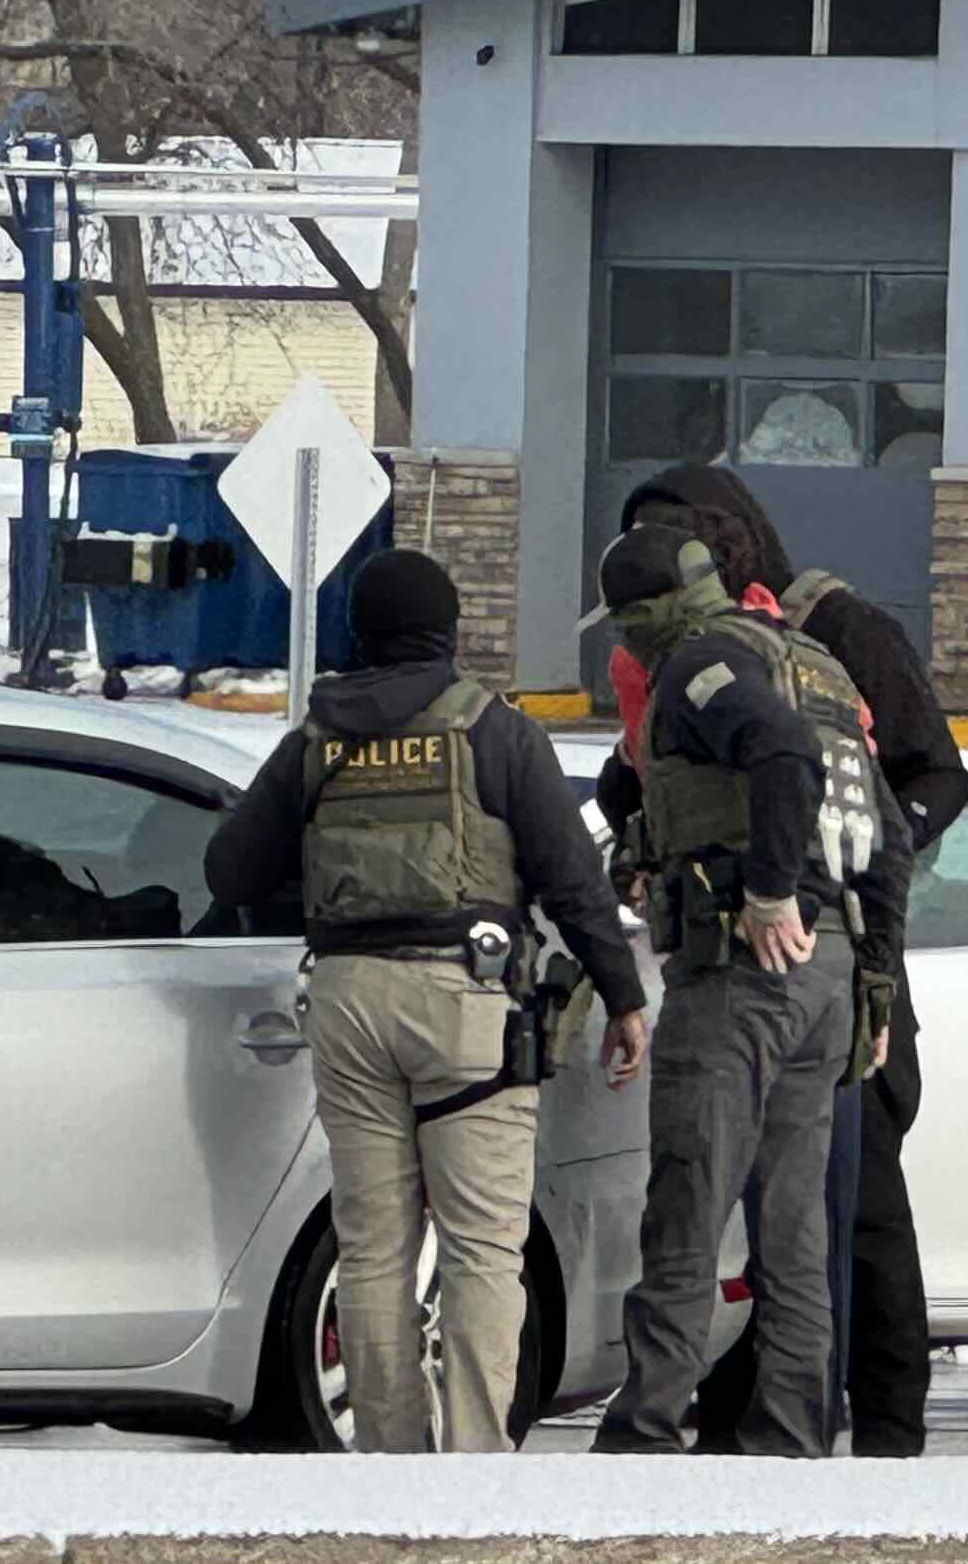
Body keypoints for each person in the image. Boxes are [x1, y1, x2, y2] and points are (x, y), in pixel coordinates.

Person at [205, 548, 650, 1455]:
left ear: (361, 634)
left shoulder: (318, 740)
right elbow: (572, 879)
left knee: (373, 1246)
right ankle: (474, 1462)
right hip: (466, 1001)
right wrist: (623, 995)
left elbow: (230, 869)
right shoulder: (493, 731)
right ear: (448, 633)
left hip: (347, 998)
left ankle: (390, 1461)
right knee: (483, 1246)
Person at [619, 466, 968, 1458]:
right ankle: (790, 1437)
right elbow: (881, 838)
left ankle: (646, 1435)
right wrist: (872, 980)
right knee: (798, 1231)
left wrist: (773, 890)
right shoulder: (815, 664)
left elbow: (788, 758)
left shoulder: (710, 660)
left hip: (747, 968)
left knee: (694, 1206)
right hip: (837, 971)